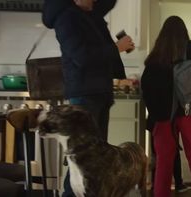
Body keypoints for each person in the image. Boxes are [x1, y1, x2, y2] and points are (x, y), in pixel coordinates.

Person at [42, 0, 135, 196]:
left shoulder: (89, 14)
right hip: (84, 95)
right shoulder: (67, 18)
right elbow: (81, 57)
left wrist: (118, 74)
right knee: (83, 160)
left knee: (95, 161)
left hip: (98, 93)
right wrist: (116, 47)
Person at [141, 16, 191, 197]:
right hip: (190, 112)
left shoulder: (155, 57)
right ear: (184, 32)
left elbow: (146, 89)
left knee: (164, 162)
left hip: (163, 117)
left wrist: (155, 114)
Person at [147, 116, 190, 193]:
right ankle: (178, 183)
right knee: (174, 153)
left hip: (157, 119)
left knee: (157, 154)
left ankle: (155, 183)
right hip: (170, 119)